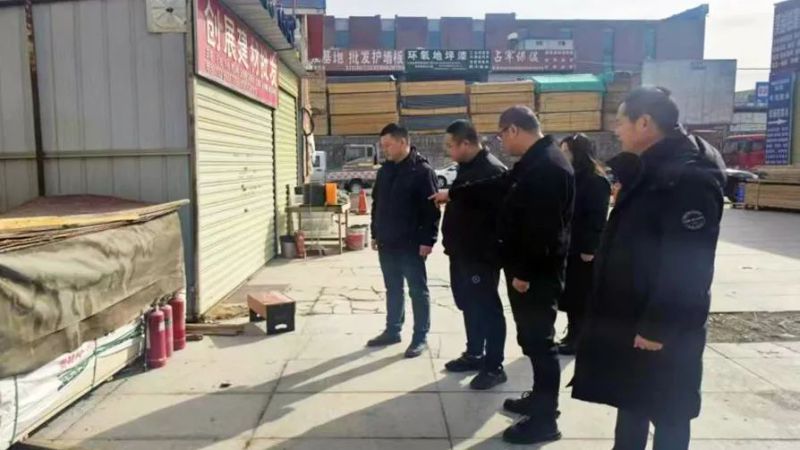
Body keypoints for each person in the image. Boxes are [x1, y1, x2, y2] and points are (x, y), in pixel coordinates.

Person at [571, 87, 726, 450]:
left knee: (669, 409)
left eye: (620, 121)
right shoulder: (650, 167)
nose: (616, 130)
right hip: (633, 312)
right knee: (633, 398)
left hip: (663, 325)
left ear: (644, 123)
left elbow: (688, 264)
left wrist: (657, 325)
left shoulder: (688, 177)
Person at [432, 106, 575, 444]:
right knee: (532, 341)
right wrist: (454, 193)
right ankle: (538, 399)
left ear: (514, 130)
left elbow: (545, 230)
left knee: (541, 344)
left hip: (537, 273)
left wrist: (524, 272)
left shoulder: (548, 167)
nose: (500, 142)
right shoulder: (533, 162)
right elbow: (499, 185)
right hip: (528, 268)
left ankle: (545, 419)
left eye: (501, 134)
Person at [440, 120, 509, 390]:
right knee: (469, 304)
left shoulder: (491, 170)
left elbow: (500, 219)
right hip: (462, 253)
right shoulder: (468, 167)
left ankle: (494, 366)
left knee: (487, 308)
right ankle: (474, 353)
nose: (448, 151)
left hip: (481, 256)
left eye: (450, 145)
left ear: (466, 143)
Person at [367, 123, 441, 358]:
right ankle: (393, 330)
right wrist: (375, 233)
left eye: (388, 145)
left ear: (402, 142)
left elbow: (431, 211)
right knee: (393, 289)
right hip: (387, 242)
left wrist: (428, 240)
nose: (385, 150)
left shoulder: (422, 171)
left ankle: (420, 337)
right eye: (383, 146)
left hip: (411, 244)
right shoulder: (385, 171)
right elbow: (377, 204)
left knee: (417, 291)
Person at [557, 134, 611, 355]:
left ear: (577, 153)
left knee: (581, 296)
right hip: (569, 245)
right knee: (571, 295)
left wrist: (590, 248)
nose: (562, 155)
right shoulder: (570, 176)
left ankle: (580, 339)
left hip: (583, 248)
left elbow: (597, 218)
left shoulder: (595, 180)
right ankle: (573, 334)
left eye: (566, 151)